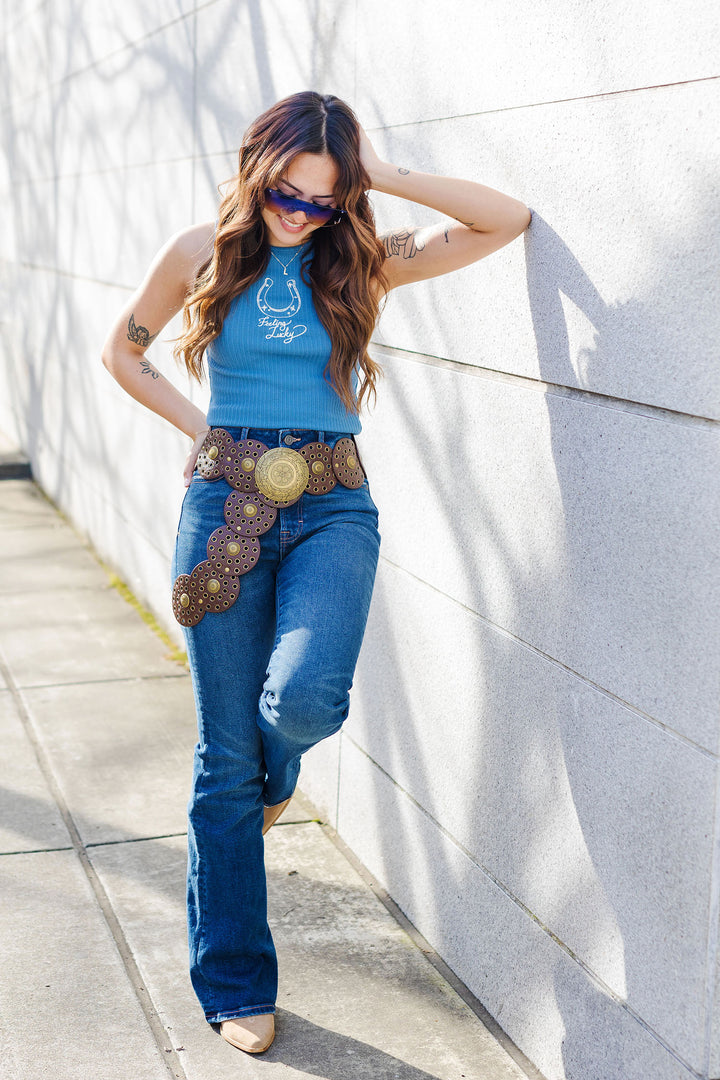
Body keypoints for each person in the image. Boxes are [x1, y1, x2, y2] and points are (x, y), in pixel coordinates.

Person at [101, 90, 530, 1055]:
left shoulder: (365, 261)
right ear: (257, 172)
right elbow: (122, 355)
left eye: (324, 202)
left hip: (335, 503)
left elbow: (505, 220)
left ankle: (279, 767)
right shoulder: (199, 256)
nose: (301, 215)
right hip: (224, 507)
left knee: (302, 700)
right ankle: (236, 980)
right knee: (222, 763)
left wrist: (377, 178)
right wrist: (199, 427)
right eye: (287, 195)